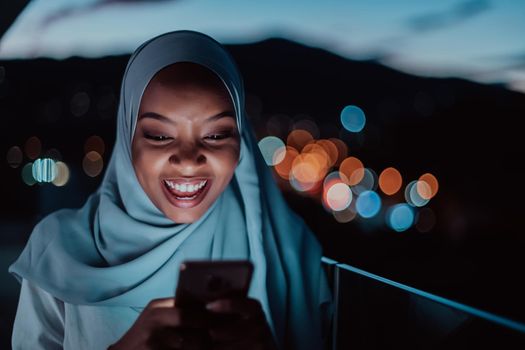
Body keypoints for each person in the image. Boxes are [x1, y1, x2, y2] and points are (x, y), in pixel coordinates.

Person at [9, 30, 332, 350]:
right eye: (160, 136)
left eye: (217, 135)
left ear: (241, 142)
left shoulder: (287, 248)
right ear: (127, 140)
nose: (189, 161)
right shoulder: (58, 251)